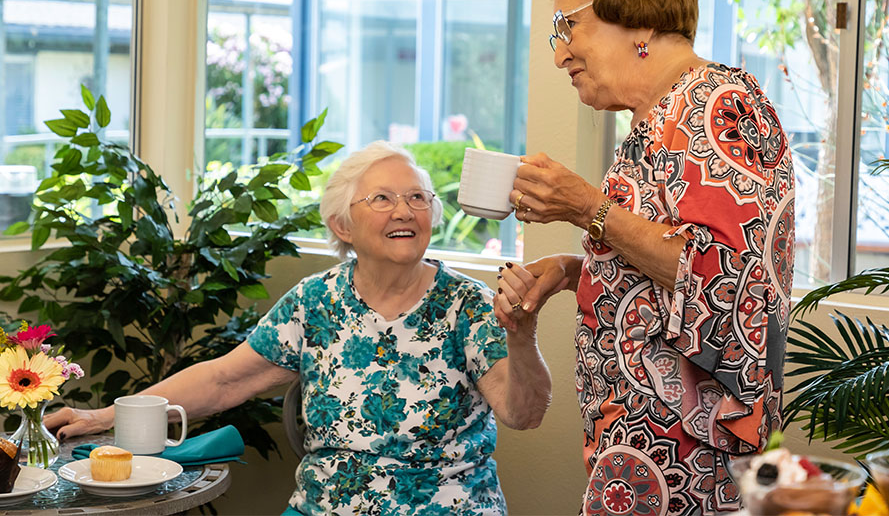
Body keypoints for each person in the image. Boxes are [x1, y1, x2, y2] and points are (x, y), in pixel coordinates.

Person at [46, 140, 552, 516]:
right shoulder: (315, 301)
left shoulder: (469, 304)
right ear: (342, 225)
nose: (405, 210)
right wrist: (101, 418)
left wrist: (521, 335)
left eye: (418, 198)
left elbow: (523, 412)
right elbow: (224, 379)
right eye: (382, 199)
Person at [494, 0, 795, 516]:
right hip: (644, 444)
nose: (559, 55)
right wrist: (572, 269)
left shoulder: (715, 105)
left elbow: (728, 282)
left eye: (568, 26)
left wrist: (587, 207)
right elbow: (665, 270)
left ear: (637, 16)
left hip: (691, 452)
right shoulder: (664, 116)